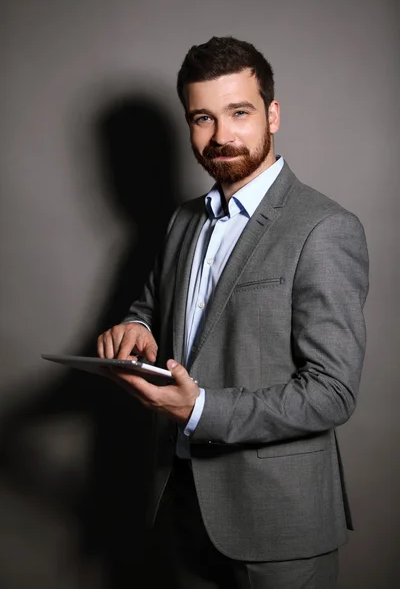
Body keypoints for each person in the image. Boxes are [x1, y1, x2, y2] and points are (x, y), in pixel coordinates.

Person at [97, 36, 369, 589]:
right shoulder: (182, 221)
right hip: (179, 508)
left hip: (278, 527)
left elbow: (332, 391)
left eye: (238, 112)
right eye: (202, 118)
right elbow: (152, 304)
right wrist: (137, 326)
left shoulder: (324, 229)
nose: (221, 136)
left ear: (271, 114)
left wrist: (199, 411)